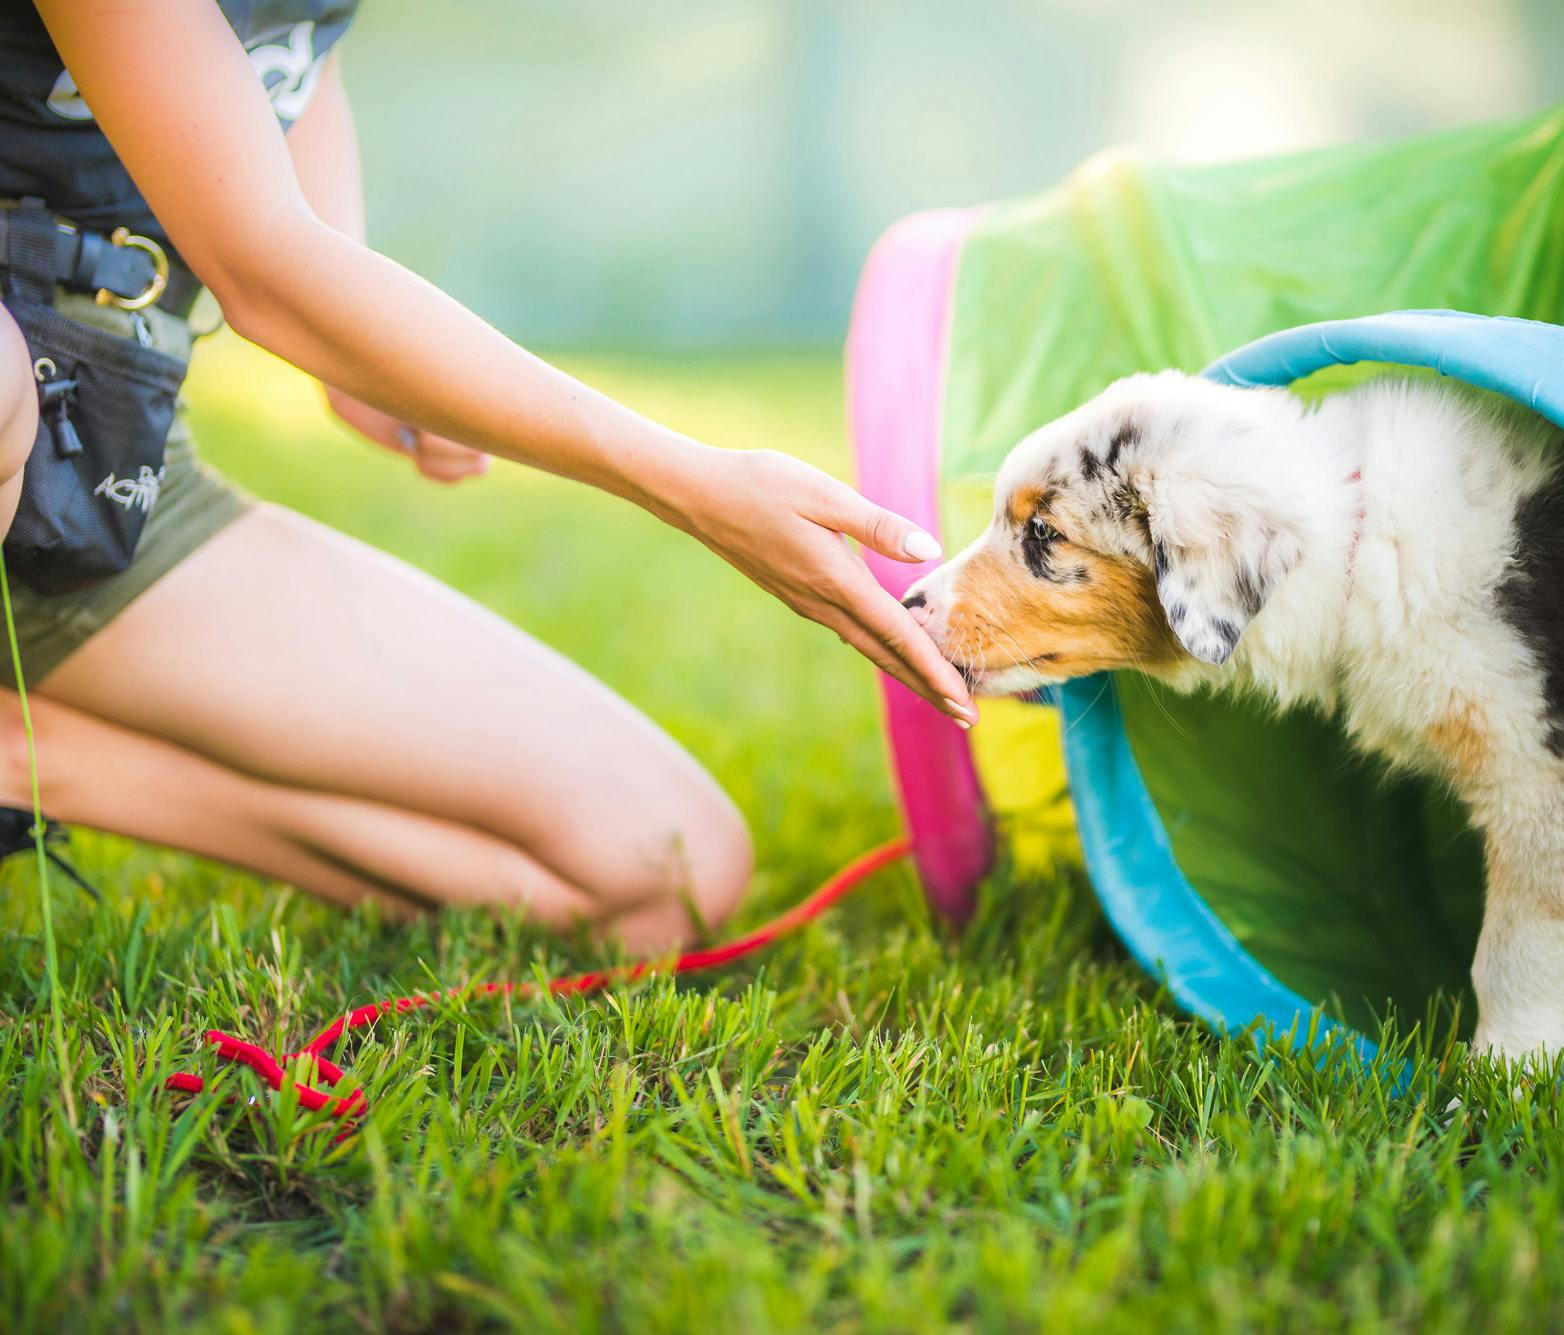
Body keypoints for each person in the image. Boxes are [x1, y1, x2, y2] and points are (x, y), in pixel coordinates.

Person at [0, 1, 978, 951]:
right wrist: (691, 483)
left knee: (661, 869)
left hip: (101, 471)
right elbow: (263, 270)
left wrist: (355, 347)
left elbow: (293, 56)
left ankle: (30, 763)